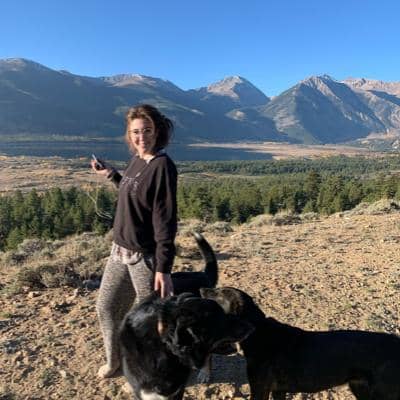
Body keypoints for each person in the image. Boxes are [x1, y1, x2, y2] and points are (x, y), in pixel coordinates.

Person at [91, 104, 177, 379]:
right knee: (107, 307)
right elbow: (132, 193)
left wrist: (163, 267)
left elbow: (165, 220)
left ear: (157, 132)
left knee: (150, 321)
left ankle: (151, 373)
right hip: (120, 251)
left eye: (147, 131)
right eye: (136, 132)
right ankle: (115, 362)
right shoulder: (136, 160)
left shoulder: (162, 166)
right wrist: (111, 175)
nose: (142, 137)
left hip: (144, 257)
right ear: (129, 134)